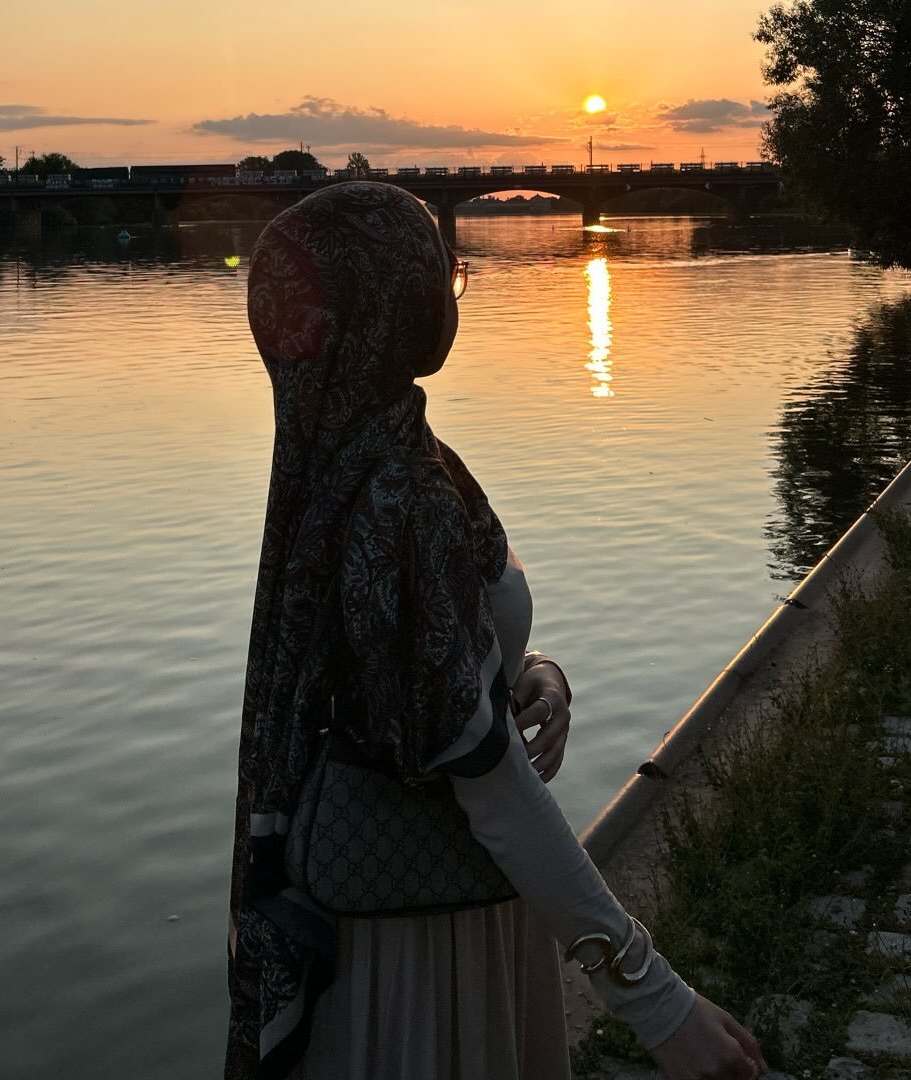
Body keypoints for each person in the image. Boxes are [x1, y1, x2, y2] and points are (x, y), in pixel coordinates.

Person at [225, 181, 766, 1080]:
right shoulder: (401, 497)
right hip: (424, 942)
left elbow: (405, 674)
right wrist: (657, 1002)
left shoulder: (346, 453)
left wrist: (526, 671)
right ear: (393, 305)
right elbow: (495, 788)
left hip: (404, 902)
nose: (453, 292)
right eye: (443, 274)